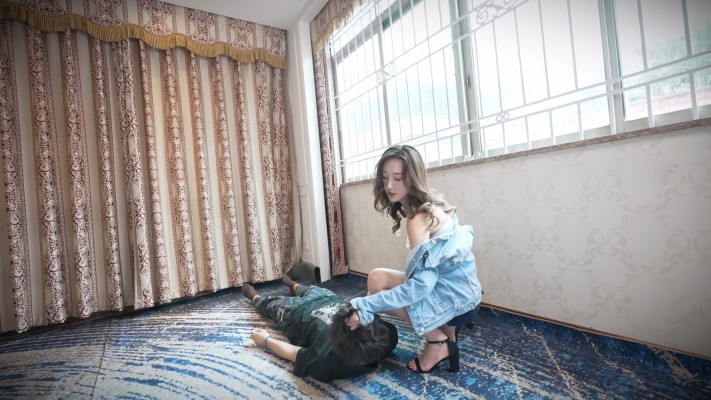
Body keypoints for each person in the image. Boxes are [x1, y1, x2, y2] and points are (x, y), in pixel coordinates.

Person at [345, 144, 483, 374]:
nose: (389, 185)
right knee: (377, 278)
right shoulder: (432, 205)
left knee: (377, 295)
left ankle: (438, 343)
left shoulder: (418, 220)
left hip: (458, 301)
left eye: (398, 178)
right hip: (461, 290)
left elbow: (418, 289)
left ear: (413, 178)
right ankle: (446, 332)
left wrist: (365, 304)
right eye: (385, 177)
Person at [242, 276, 398, 382]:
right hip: (329, 298)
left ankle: (256, 297)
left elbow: (294, 353)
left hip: (297, 313)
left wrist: (266, 340)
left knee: (270, 304)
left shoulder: (325, 362)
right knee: (311, 289)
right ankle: (294, 286)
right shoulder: (389, 335)